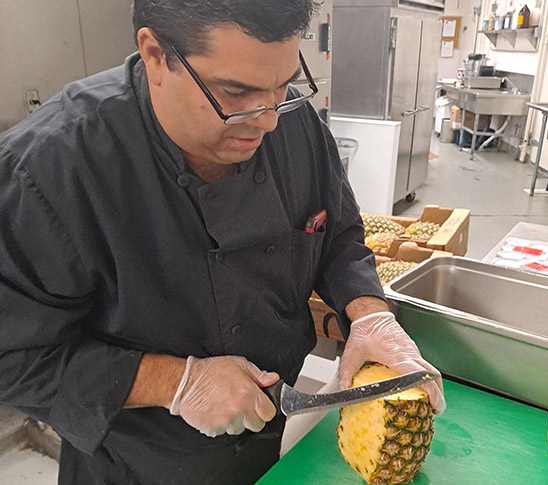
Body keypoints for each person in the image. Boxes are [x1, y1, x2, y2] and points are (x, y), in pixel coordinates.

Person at [0, 1, 445, 483]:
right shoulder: (49, 170)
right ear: (155, 55)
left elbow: (336, 233)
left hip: (270, 442)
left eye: (283, 85)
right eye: (237, 93)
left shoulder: (292, 123)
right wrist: (176, 382)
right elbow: (13, 355)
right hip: (136, 463)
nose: (269, 120)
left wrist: (369, 313)